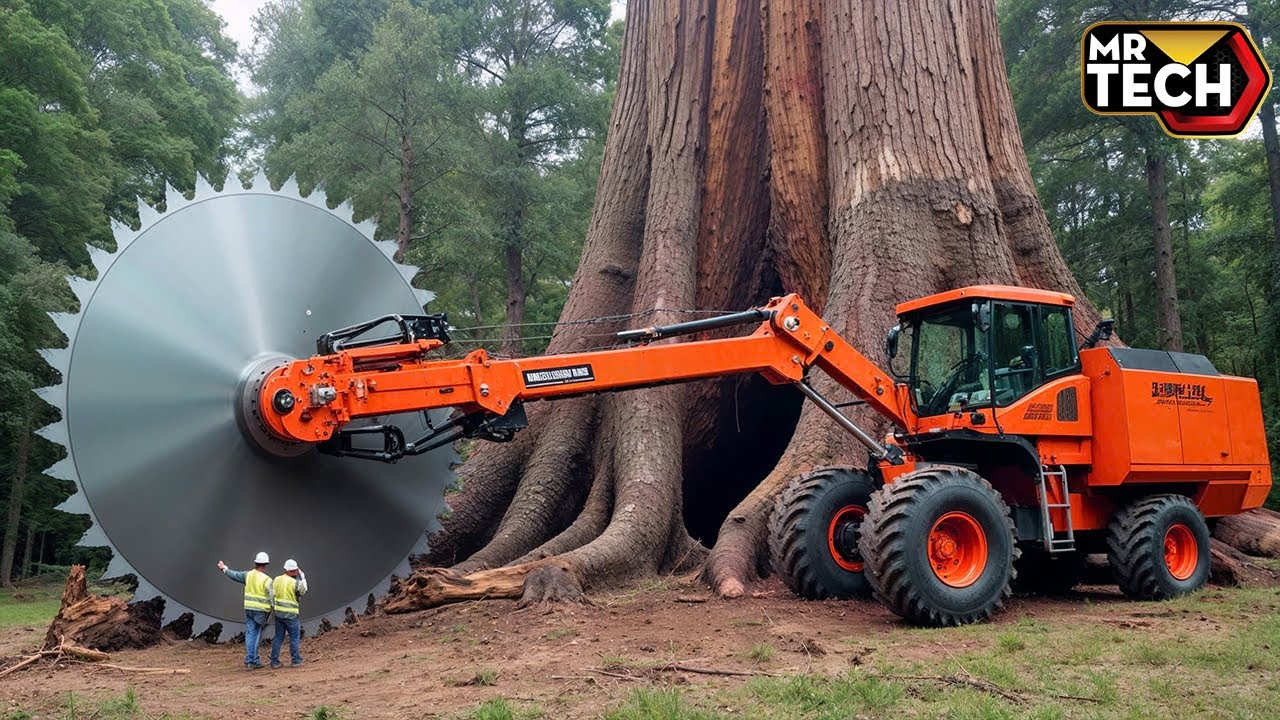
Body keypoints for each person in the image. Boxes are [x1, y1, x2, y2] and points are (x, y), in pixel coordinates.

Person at [217, 552, 273, 670]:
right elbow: (272, 597)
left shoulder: (248, 575)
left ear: (255, 563)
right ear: (266, 564)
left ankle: (250, 660)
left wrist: (224, 569)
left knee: (250, 633)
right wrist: (274, 609)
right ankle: (253, 660)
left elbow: (234, 575)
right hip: (260, 611)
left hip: (248, 609)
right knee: (256, 634)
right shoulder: (267, 580)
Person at [270, 558, 308, 668]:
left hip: (279, 614)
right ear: (294, 570)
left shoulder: (276, 579)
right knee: (294, 638)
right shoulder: (295, 582)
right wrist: (303, 577)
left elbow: (272, 594)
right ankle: (296, 660)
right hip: (291, 615)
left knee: (278, 637)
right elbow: (303, 590)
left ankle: (274, 661)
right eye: (296, 570)